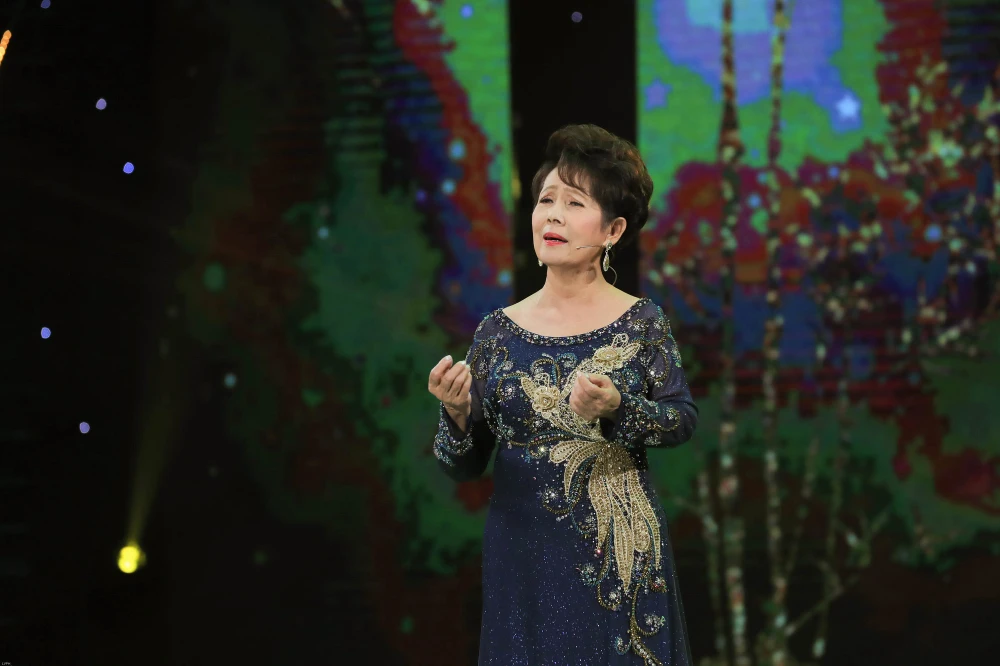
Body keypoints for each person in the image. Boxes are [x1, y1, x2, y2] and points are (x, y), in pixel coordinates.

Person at [427, 124, 698, 665]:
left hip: (617, 554)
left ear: (613, 230)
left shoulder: (641, 322)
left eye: (574, 203)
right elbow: (465, 465)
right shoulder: (496, 333)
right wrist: (456, 414)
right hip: (521, 557)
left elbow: (681, 419)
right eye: (546, 200)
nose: (553, 215)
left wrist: (617, 408)